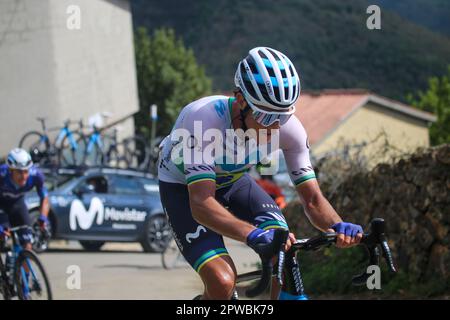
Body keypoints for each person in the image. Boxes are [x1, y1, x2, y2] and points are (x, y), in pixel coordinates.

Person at [158, 47, 363, 300]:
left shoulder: (289, 130)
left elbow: (312, 199)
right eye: (267, 115)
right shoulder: (202, 118)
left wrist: (337, 226)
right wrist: (252, 234)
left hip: (234, 182)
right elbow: (201, 203)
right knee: (222, 283)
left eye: (283, 115)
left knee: (283, 253)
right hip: (183, 187)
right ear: (241, 100)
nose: (275, 126)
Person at [0, 148, 49, 251]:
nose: (24, 176)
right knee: (2, 237)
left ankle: (24, 262)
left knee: (27, 244)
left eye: (26, 172)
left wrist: (43, 218)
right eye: (19, 172)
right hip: (1, 206)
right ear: (10, 170)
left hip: (17, 204)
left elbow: (44, 198)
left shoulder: (36, 176)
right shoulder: (2, 175)